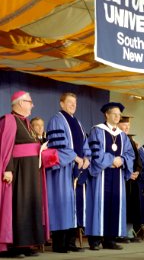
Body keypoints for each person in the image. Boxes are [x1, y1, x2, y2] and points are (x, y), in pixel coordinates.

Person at [0, 91, 49, 257]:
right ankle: (13, 246)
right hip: (18, 171)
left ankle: (26, 244)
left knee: (29, 205)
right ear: (20, 103)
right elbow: (4, 147)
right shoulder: (8, 120)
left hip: (30, 172)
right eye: (30, 101)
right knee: (18, 206)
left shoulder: (26, 122)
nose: (32, 105)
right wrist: (8, 168)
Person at [86, 102, 135, 250]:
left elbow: (129, 154)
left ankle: (110, 239)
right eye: (114, 114)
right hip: (102, 174)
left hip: (117, 174)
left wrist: (122, 160)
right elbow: (95, 151)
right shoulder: (97, 131)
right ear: (106, 114)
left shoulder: (122, 135)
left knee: (115, 203)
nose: (117, 116)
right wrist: (112, 160)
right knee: (99, 204)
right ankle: (95, 239)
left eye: (119, 114)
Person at [45, 92, 91, 253]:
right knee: (61, 205)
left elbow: (85, 143)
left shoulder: (77, 122)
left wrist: (86, 158)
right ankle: (59, 244)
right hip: (62, 170)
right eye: (70, 102)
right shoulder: (56, 120)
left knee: (74, 207)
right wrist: (76, 158)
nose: (73, 105)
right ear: (62, 104)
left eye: (75, 103)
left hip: (76, 169)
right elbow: (58, 146)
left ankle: (71, 243)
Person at [117, 116, 142, 242]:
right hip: (121, 178)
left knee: (131, 207)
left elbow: (138, 159)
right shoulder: (116, 138)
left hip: (132, 180)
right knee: (122, 206)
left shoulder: (130, 140)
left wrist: (137, 170)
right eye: (125, 124)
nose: (127, 127)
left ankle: (129, 233)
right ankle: (120, 234)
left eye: (128, 125)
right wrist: (128, 171)